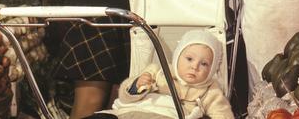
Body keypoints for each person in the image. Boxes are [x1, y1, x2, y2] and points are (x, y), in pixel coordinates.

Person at [95, 29, 234, 119]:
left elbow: (222, 113)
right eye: (189, 59)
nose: (194, 67)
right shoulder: (158, 71)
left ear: (212, 69)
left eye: (204, 64)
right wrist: (136, 85)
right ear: (177, 57)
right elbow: (125, 97)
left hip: (165, 115)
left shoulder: (210, 90)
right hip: (131, 110)